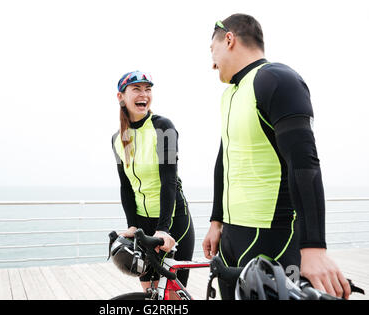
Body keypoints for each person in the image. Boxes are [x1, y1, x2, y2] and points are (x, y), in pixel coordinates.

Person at [202, 14, 351, 300]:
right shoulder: (230, 95)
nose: (212, 63)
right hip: (233, 236)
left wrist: (313, 247)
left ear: (229, 39)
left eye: (213, 50)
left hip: (274, 236)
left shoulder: (277, 80)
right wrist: (216, 221)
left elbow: (304, 163)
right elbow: (225, 160)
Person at [112, 70, 195, 291]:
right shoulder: (118, 139)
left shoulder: (163, 127)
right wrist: (132, 224)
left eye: (148, 89)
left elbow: (168, 180)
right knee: (150, 293)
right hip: (142, 224)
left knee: (172, 296)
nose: (144, 94)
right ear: (121, 97)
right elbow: (126, 186)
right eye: (137, 89)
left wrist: (163, 229)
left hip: (173, 221)